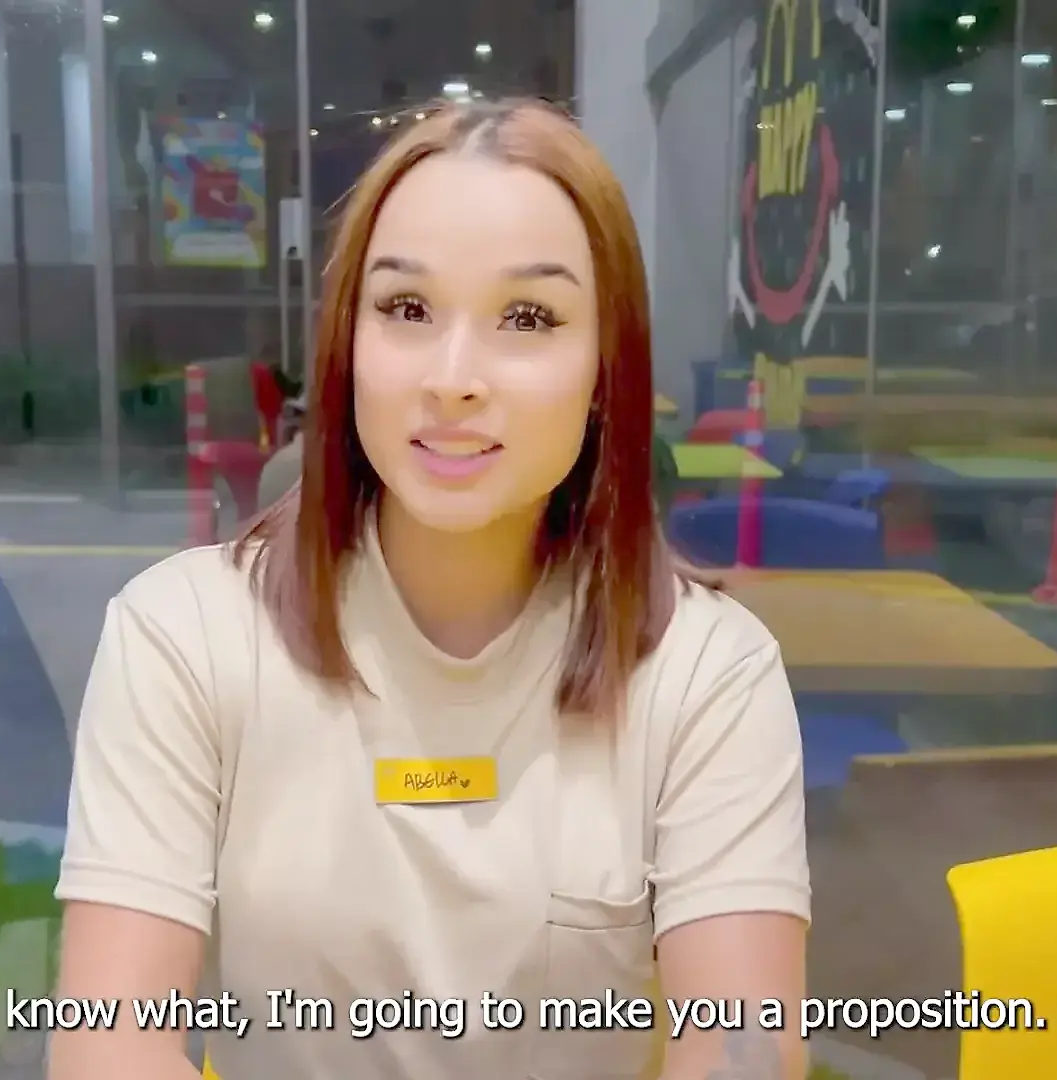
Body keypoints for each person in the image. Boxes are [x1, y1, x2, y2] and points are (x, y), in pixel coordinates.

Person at [50, 98, 809, 1080]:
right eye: (407, 309)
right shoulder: (183, 637)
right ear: (347, 346)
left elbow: (742, 1051)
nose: (454, 378)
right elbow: (111, 1042)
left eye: (527, 317)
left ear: (603, 372)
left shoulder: (711, 673)